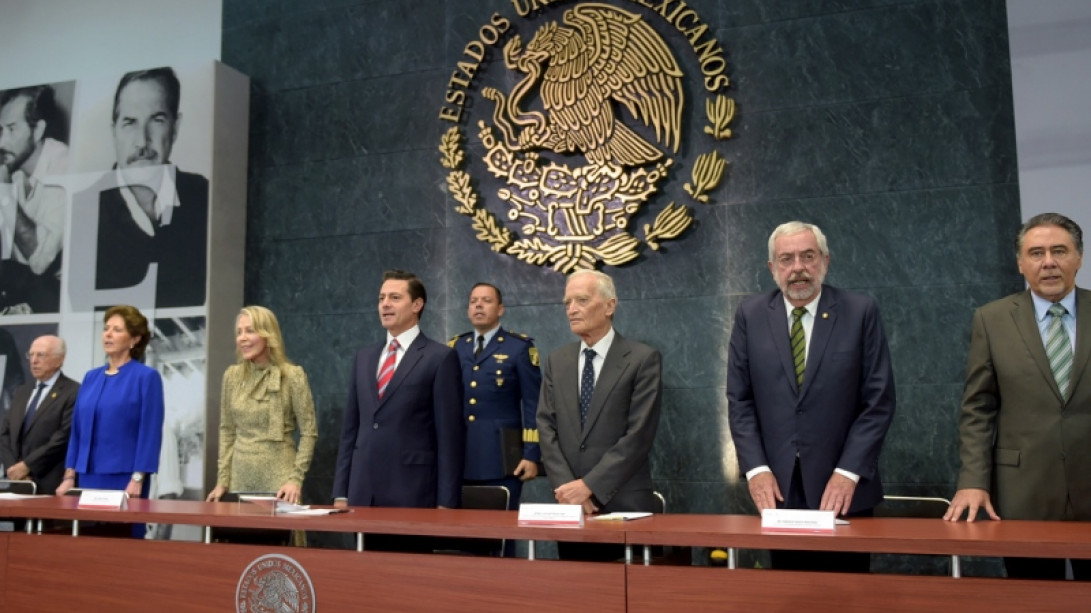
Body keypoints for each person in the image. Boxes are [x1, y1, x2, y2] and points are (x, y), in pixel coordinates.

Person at [727, 221, 896, 573]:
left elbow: (877, 401)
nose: (798, 268)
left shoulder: (860, 311)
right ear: (772, 268)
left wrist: (848, 471)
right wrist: (756, 469)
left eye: (808, 256)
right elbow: (740, 400)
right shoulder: (751, 315)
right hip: (778, 490)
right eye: (786, 259)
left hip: (844, 487)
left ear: (825, 261)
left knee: (848, 596)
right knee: (790, 596)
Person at [944, 212, 1090, 580]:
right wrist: (973, 481)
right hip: (1024, 494)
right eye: (1036, 253)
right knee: (1035, 599)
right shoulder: (991, 320)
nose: (1049, 262)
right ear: (1021, 263)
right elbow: (978, 408)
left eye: (1060, 251)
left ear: (1080, 257)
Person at [332, 270, 464, 550]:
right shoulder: (364, 357)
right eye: (381, 298)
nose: (385, 304)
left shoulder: (439, 357)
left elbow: (450, 437)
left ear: (417, 305)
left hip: (412, 494)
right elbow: (351, 430)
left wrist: (446, 503)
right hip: (362, 493)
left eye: (395, 297)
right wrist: (341, 492)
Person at [537, 269, 663, 561]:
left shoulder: (642, 359)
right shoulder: (558, 360)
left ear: (610, 305)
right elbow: (546, 426)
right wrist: (569, 489)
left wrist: (589, 486)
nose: (571, 309)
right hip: (570, 507)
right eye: (567, 302)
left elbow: (639, 435)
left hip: (625, 506)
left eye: (581, 300)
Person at [92, 67, 208, 308]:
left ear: (175, 128)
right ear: (113, 131)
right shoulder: (82, 208)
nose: (143, 141)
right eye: (130, 123)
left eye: (157, 120)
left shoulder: (206, 196)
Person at [58, 305, 164, 537]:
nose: (108, 334)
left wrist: (138, 478)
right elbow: (77, 429)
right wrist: (69, 475)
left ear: (134, 339)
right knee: (87, 545)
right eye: (106, 328)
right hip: (87, 476)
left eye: (117, 330)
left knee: (120, 546)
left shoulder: (146, 378)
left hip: (124, 478)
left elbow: (150, 431)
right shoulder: (91, 377)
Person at [207, 306, 317, 505]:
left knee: (280, 536)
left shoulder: (293, 376)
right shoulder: (231, 376)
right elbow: (227, 431)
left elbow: (309, 433)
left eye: (250, 330)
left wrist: (295, 479)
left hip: (280, 478)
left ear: (269, 335)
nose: (242, 338)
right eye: (239, 332)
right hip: (240, 478)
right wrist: (223, 480)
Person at [451, 283, 541, 503]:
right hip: (460, 456)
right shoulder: (456, 346)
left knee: (501, 533)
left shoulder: (518, 347)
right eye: (473, 302)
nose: (478, 306)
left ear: (500, 309)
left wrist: (531, 455)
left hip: (502, 458)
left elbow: (534, 405)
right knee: (461, 534)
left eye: (486, 301)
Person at [0, 85, 68, 313]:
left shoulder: (65, 166)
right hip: (25, 288)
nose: (1, 142)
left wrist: (3, 191)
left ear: (38, 131)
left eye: (11, 129)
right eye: (0, 130)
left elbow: (40, 262)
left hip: (60, 295)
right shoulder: (15, 167)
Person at [0, 335, 78, 496]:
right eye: (31, 355)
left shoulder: (73, 392)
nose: (34, 360)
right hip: (18, 481)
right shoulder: (22, 391)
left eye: (41, 355)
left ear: (59, 360)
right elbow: (5, 432)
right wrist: (13, 468)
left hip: (50, 481)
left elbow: (63, 436)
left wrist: (27, 465)